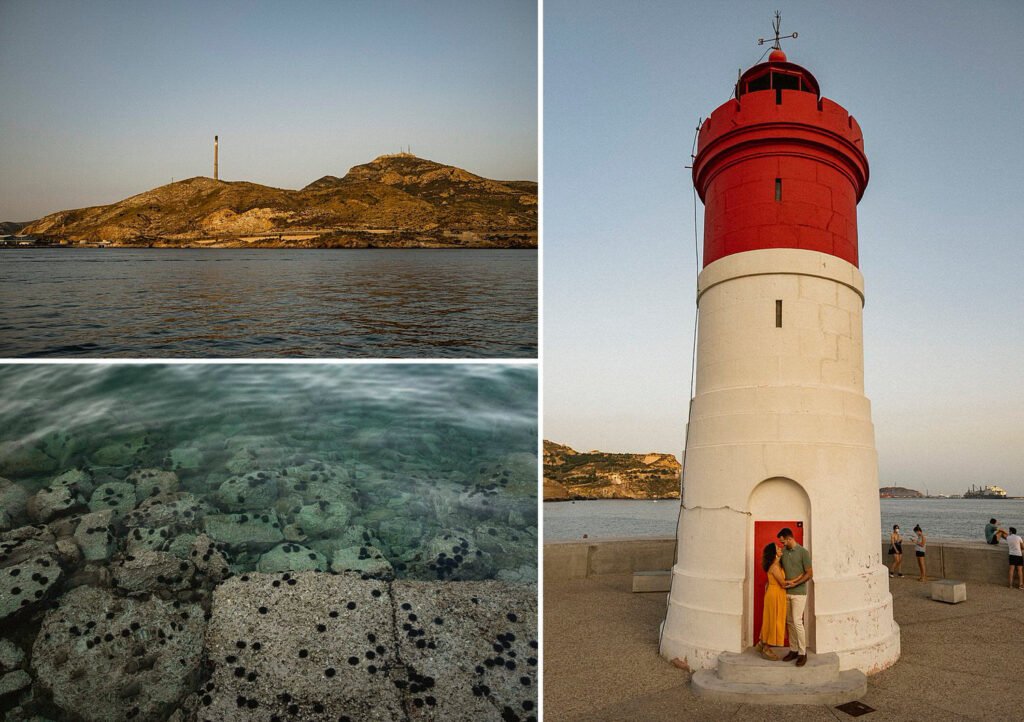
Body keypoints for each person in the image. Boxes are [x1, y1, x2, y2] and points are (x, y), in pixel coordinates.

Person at [777, 527, 812, 667]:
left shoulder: (803, 552)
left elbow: (809, 573)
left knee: (797, 621)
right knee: (789, 622)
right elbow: (777, 569)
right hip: (786, 593)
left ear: (789, 538)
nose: (782, 544)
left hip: (799, 593)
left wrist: (795, 583)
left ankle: (802, 653)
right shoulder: (783, 552)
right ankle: (793, 650)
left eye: (783, 541)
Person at [756, 542, 787, 661]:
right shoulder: (774, 567)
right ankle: (766, 647)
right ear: (774, 554)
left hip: (774, 593)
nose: (780, 548)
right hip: (775, 594)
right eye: (777, 548)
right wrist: (799, 580)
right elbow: (783, 583)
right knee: (773, 619)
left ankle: (761, 643)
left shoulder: (776, 564)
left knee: (770, 618)